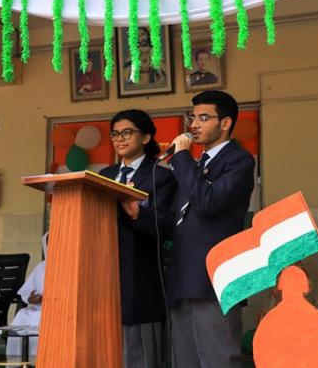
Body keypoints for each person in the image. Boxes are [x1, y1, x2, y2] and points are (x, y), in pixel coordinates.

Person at [166, 90, 256, 368]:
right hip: (183, 275)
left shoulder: (239, 160)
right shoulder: (195, 164)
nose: (194, 125)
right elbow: (176, 216)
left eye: (203, 118)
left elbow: (208, 202)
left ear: (225, 123)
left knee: (219, 359)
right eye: (192, 118)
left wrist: (182, 157)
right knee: (185, 361)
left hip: (215, 277)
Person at [99, 109, 177, 368]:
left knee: (138, 354)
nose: (119, 139)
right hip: (102, 276)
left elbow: (167, 225)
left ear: (145, 137)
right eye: (115, 134)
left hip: (139, 277)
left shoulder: (161, 176)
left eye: (127, 133)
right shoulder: (104, 175)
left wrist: (134, 211)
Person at [6, 232, 48, 358]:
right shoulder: (41, 267)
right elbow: (25, 291)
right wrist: (30, 298)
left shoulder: (72, 266)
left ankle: (38, 359)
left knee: (39, 318)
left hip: (58, 311)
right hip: (38, 309)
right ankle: (18, 360)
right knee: (21, 315)